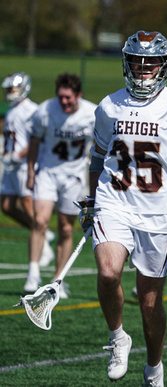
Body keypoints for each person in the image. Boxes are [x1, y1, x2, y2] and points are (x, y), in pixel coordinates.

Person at [79, 30, 167, 385]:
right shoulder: (109, 105)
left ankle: (154, 367)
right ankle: (118, 337)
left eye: (151, 62)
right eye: (137, 61)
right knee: (108, 273)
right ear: (126, 63)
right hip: (115, 202)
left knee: (150, 300)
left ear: (164, 65)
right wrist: (93, 199)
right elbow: (97, 157)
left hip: (161, 211)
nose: (142, 68)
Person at [24, 73, 95, 296]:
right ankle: (33, 272)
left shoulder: (91, 114)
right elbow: (34, 141)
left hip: (73, 176)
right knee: (41, 220)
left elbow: (100, 146)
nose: (64, 102)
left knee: (66, 228)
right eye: (61, 97)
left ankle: (57, 279)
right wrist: (31, 171)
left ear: (78, 96)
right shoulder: (44, 111)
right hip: (48, 171)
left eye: (68, 98)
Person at [1, 73, 56, 268]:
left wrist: (19, 155)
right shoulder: (12, 110)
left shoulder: (31, 110)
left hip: (24, 164)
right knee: (6, 206)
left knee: (27, 204)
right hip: (11, 166)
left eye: (12, 89)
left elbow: (36, 139)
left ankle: (44, 244)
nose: (9, 93)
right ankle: (46, 234)